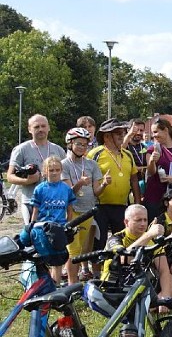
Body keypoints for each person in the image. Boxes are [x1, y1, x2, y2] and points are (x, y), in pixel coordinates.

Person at [104, 204, 172, 311]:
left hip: (140, 284)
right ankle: (146, 308)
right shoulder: (115, 238)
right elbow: (124, 259)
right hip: (116, 287)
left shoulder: (151, 240)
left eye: (145, 220)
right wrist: (148, 235)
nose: (143, 224)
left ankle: (154, 305)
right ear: (126, 222)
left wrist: (166, 296)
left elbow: (164, 270)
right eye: (138, 220)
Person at [87, 118, 142, 273]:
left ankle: (121, 271)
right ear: (106, 136)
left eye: (123, 132)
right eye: (117, 133)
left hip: (122, 206)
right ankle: (96, 274)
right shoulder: (95, 154)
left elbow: (134, 180)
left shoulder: (128, 154)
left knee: (122, 241)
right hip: (99, 206)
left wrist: (137, 203)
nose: (121, 135)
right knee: (99, 242)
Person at [62, 127, 106, 283]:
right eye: (78, 144)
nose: (82, 147)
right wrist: (80, 183)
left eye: (85, 145)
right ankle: (71, 285)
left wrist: (105, 184)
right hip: (73, 211)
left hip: (88, 211)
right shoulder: (64, 165)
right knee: (73, 251)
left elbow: (96, 191)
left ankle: (78, 279)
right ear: (70, 144)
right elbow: (68, 194)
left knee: (83, 249)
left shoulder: (92, 164)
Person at [7, 114, 66, 224]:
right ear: (30, 129)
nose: (40, 129)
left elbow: (66, 174)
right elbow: (10, 177)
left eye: (43, 126)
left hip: (55, 203)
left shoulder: (58, 150)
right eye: (36, 127)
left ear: (49, 128)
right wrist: (27, 181)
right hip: (31, 202)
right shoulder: (21, 149)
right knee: (34, 237)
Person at [30, 155, 76, 284]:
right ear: (45, 171)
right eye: (51, 170)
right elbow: (35, 210)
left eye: (57, 170)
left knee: (58, 257)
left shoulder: (66, 188)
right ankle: (45, 282)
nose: (54, 173)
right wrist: (31, 226)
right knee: (43, 255)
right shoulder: (40, 189)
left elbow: (69, 208)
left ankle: (55, 284)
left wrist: (69, 224)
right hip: (42, 227)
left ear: (61, 170)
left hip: (59, 227)